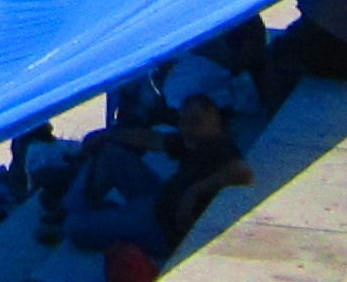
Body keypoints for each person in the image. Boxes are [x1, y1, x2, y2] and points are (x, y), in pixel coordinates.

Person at [39, 94, 252, 260]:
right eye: (184, 121)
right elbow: (152, 139)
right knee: (111, 152)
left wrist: (195, 191)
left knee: (76, 227)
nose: (188, 128)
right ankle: (69, 209)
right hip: (158, 199)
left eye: (196, 121)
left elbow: (241, 172)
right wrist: (108, 134)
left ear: (215, 121)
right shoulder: (193, 140)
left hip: (162, 229)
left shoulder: (220, 146)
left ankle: (75, 218)